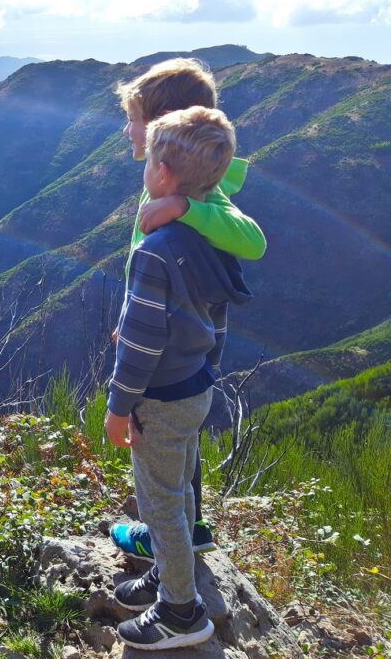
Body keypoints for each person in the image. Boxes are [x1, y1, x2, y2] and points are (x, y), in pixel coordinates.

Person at [105, 106, 252, 650]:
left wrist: (120, 408)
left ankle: (181, 613)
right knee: (181, 495)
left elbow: (142, 343)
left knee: (161, 504)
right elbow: (209, 321)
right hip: (195, 388)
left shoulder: (155, 252)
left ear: (162, 174)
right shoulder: (205, 237)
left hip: (160, 399)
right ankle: (173, 576)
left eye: (150, 162)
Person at [109, 58, 266, 561]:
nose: (126, 129)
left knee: (167, 440)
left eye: (134, 118)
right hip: (171, 335)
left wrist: (186, 210)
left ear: (165, 131)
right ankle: (189, 526)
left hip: (178, 351)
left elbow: (253, 241)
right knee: (180, 440)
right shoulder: (164, 184)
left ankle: (170, 545)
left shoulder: (200, 196)